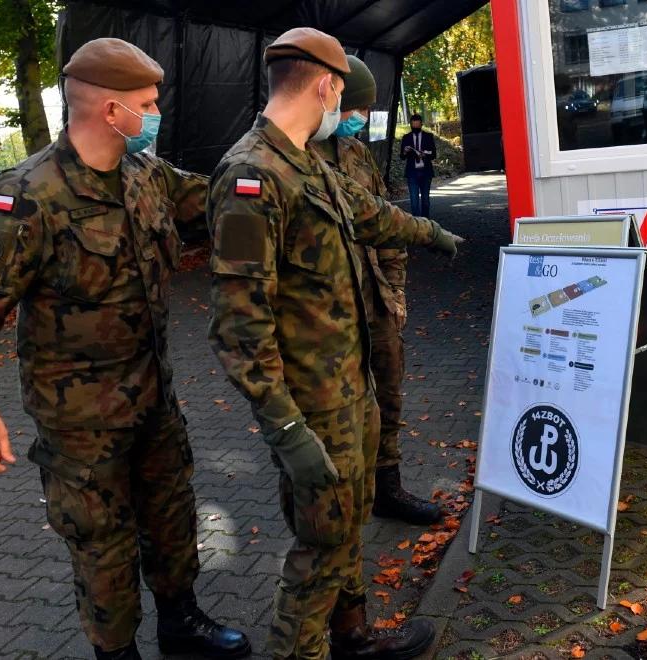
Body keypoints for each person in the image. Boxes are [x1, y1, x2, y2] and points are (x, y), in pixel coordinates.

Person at [0, 38, 250, 660]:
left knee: (173, 517)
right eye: (148, 103)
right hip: (79, 421)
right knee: (100, 543)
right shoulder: (28, 196)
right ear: (111, 111)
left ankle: (181, 623)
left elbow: (215, 199)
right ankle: (117, 652)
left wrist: (273, 180)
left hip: (153, 396)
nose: (155, 113)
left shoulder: (144, 175)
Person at [207, 28, 462, 660]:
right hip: (310, 407)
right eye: (342, 93)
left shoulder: (303, 161)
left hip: (349, 388)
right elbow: (240, 325)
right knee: (322, 539)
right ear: (326, 85)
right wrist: (287, 430)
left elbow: (370, 213)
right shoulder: (251, 177)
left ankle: (351, 637)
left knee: (348, 522)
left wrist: (433, 234)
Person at [309, 56, 442, 526]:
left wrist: (397, 294)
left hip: (376, 303)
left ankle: (388, 488)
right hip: (328, 314)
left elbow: (389, 228)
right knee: (336, 411)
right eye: (355, 110)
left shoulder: (358, 155)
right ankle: (338, 497)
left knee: (388, 395)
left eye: (364, 112)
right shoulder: (295, 158)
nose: (359, 121)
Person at [399, 113, 435, 217]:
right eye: (413, 126)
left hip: (426, 172)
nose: (415, 128)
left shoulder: (428, 137)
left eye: (417, 126)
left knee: (425, 201)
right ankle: (417, 225)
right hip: (412, 173)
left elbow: (433, 154)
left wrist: (425, 154)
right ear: (410, 125)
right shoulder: (406, 138)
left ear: (421, 125)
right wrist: (405, 151)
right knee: (414, 202)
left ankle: (426, 224)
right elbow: (402, 156)